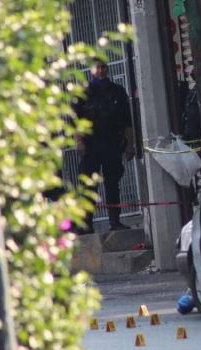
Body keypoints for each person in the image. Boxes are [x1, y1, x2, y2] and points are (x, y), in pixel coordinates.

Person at [73, 59, 136, 233]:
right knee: (88, 185)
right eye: (97, 68)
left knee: (112, 183)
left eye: (103, 67)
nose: (100, 70)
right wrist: (79, 142)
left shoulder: (117, 91)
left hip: (112, 144)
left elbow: (127, 122)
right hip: (91, 145)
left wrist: (130, 144)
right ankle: (86, 224)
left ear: (107, 69)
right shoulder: (83, 92)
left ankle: (114, 221)